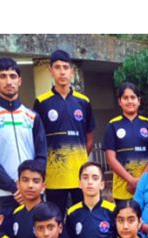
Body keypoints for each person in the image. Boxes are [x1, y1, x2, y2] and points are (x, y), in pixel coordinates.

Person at [0, 56, 47, 236]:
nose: (8, 81)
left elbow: (41, 155)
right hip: (4, 197)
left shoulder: (32, 116)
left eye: (12, 76)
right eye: (3, 76)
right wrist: (14, 187)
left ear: (20, 80)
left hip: (32, 197)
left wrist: (30, 184)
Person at [33, 49, 95, 215]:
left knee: (81, 219)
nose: (62, 72)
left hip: (79, 177)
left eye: (65, 67)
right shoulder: (41, 102)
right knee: (55, 220)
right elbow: (38, 141)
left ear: (72, 72)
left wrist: (79, 159)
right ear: (51, 71)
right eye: (58, 67)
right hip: (54, 178)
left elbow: (89, 139)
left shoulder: (84, 101)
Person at [103, 82, 148, 203]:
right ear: (119, 101)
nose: (129, 101)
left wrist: (140, 181)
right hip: (122, 189)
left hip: (146, 187)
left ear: (139, 101)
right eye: (125, 98)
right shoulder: (112, 125)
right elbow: (111, 159)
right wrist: (131, 180)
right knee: (125, 220)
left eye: (133, 97)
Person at [10, 160, 46, 238]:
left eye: (36, 181)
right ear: (18, 184)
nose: (30, 185)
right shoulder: (15, 214)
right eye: (25, 180)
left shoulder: (49, 213)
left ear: (43, 186)